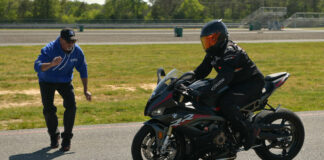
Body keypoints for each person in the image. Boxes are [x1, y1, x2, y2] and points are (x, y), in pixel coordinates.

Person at [189, 20, 265, 150]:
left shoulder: (230, 52)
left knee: (226, 103)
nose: (208, 44)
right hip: (236, 84)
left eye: (211, 39)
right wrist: (183, 81)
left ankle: (249, 131)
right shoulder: (213, 52)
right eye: (206, 40)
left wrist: (208, 92)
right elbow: (201, 71)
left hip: (251, 84)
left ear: (221, 37)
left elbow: (225, 76)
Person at [34, 28, 91, 152]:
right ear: (61, 40)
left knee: (71, 106)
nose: (71, 44)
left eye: (73, 41)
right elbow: (36, 66)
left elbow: (83, 69)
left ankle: (67, 139)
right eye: (68, 42)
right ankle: (54, 136)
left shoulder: (77, 51)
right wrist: (51, 64)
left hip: (65, 81)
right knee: (49, 109)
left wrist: (86, 90)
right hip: (47, 81)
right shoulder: (49, 49)